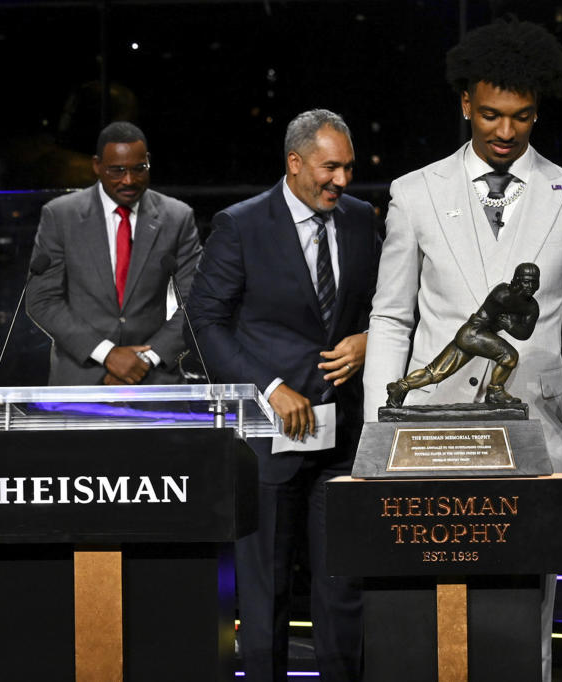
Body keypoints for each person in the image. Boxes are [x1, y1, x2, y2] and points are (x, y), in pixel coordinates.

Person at [361, 18, 562, 681]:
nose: (505, 133)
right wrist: (373, 433)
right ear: (466, 103)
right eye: (492, 115)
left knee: (522, 628)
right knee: (423, 623)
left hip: (539, 440)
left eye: (522, 118)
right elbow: (390, 317)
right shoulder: (414, 194)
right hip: (427, 440)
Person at [185, 109, 381, 681]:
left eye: (347, 167)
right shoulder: (241, 225)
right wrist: (268, 388)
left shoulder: (362, 220)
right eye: (330, 168)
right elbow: (204, 319)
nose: (341, 180)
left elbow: (387, 305)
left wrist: (371, 338)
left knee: (343, 589)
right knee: (266, 590)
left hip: (344, 434)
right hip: (271, 438)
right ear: (294, 164)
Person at [26, 121, 201, 385]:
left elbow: (198, 302)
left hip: (154, 384)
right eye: (117, 170)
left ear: (148, 162)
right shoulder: (61, 216)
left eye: (138, 169)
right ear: (97, 166)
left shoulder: (177, 217)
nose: (128, 180)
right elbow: (41, 299)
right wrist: (107, 355)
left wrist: (145, 360)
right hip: (79, 385)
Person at [386, 262, 540, 406]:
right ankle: (495, 391)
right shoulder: (502, 293)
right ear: (517, 281)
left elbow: (525, 333)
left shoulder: (532, 307)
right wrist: (511, 324)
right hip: (473, 333)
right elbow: (493, 320)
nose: (530, 286)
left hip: (471, 336)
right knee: (509, 356)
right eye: (526, 282)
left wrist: (511, 325)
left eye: (534, 282)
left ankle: (400, 386)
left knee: (436, 372)